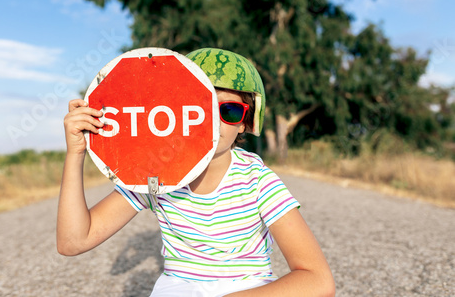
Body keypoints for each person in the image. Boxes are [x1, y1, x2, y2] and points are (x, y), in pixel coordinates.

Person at [57, 48, 335, 296]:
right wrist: (76, 153)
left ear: (244, 123)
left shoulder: (257, 181)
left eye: (229, 110)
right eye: (200, 105)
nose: (212, 120)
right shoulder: (154, 175)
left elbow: (318, 280)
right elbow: (73, 241)